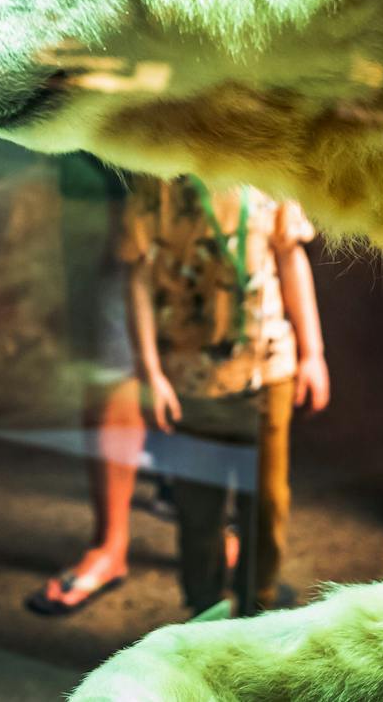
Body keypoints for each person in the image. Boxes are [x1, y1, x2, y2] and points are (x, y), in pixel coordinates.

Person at [27, 0, 244, 618]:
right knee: (120, 358)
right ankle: (120, 540)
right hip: (116, 167)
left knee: (205, 354)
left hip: (190, 171)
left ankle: (201, 529)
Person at [126, 177, 331, 615]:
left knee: (268, 501)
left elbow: (290, 257)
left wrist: (313, 353)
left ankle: (260, 601)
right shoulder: (155, 182)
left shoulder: (263, 169)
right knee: (198, 509)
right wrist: (150, 373)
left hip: (267, 367)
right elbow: (139, 276)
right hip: (189, 379)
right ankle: (203, 607)